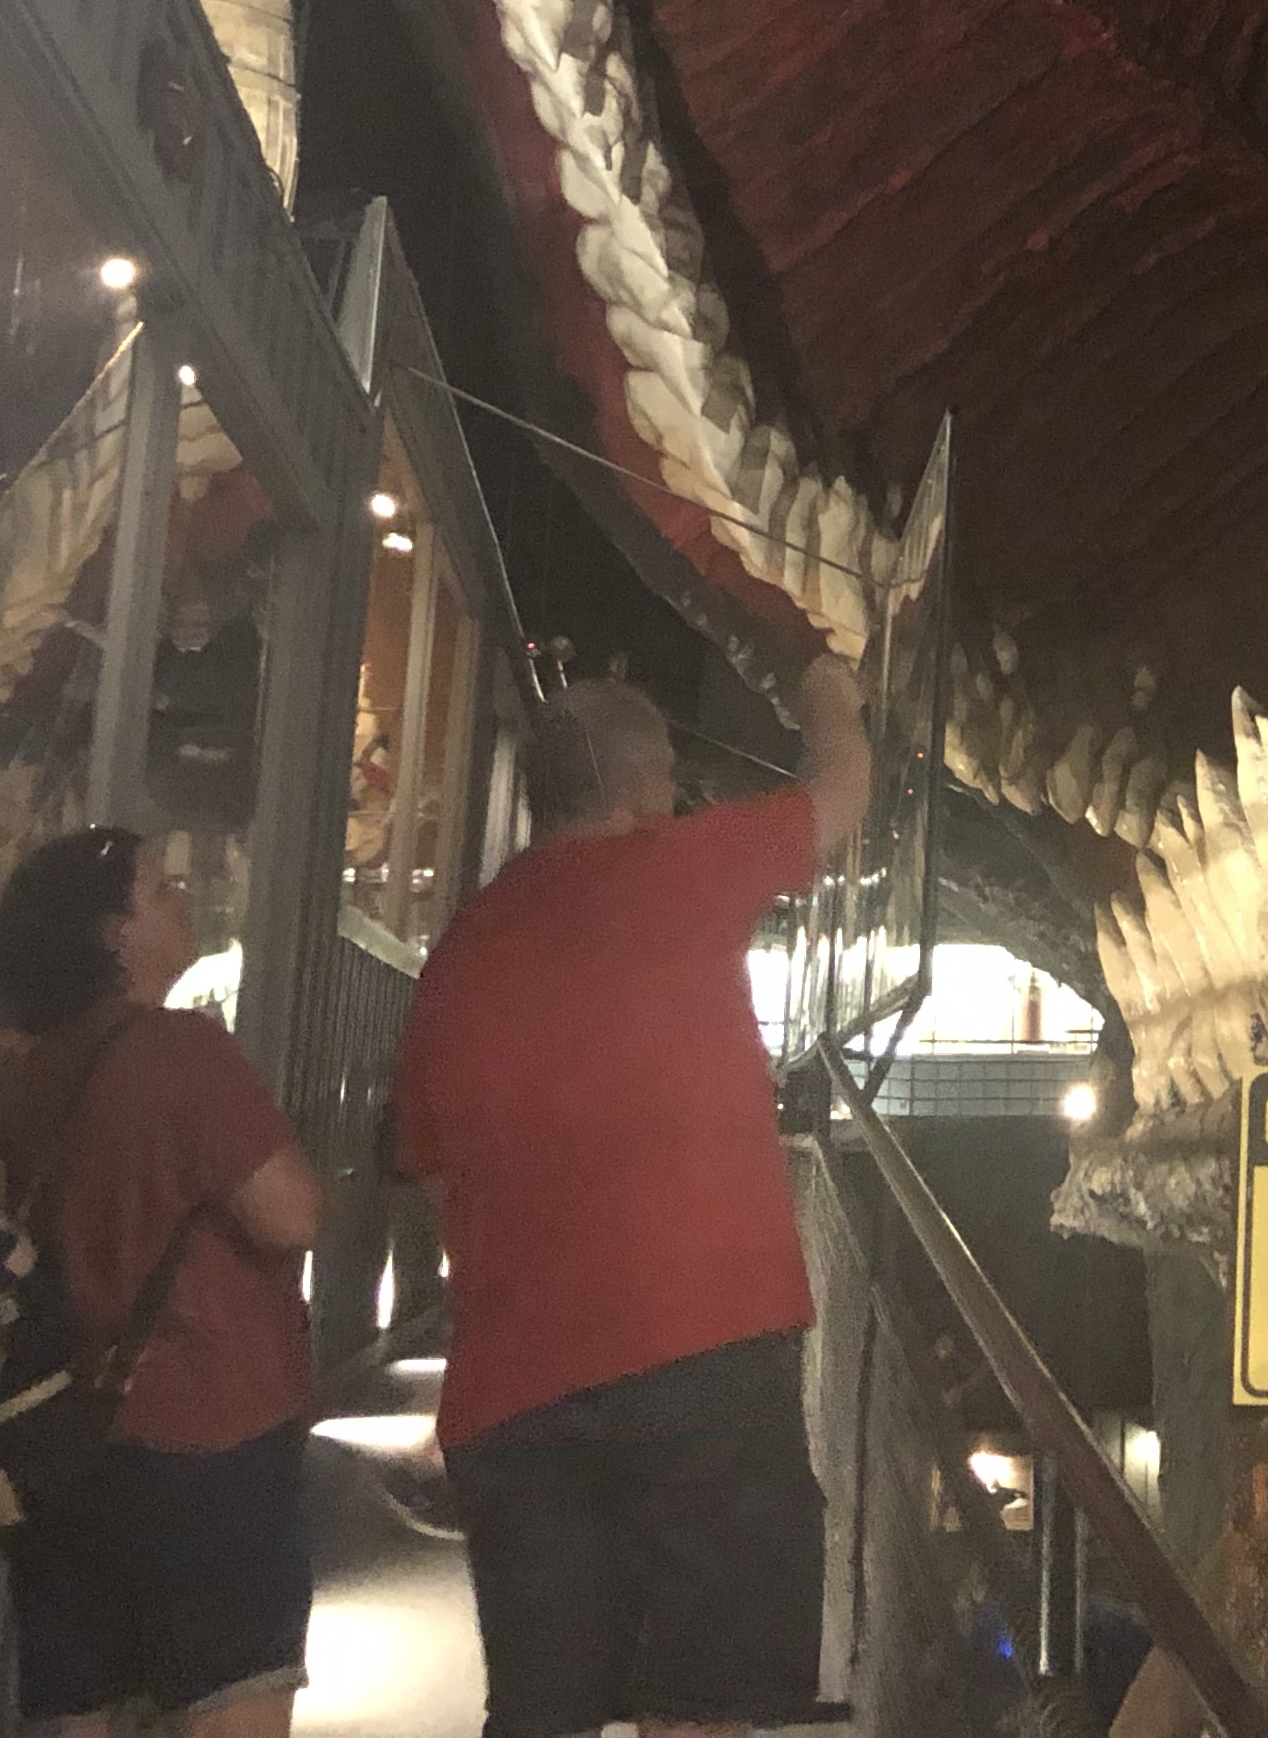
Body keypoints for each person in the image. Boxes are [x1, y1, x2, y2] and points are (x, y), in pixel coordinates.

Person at [395, 655, 873, 1738]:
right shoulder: (676, 866)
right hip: (700, 1352)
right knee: (700, 1699)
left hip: (515, 1388)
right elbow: (839, 791)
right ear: (646, 784)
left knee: (544, 1708)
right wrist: (824, 691)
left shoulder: (461, 948)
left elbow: (428, 1165)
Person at [0, 828, 327, 1738]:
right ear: (114, 936)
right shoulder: (181, 1051)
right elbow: (292, 1214)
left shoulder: (36, 1069)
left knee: (82, 1707)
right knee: (229, 1702)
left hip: (66, 1442)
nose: (183, 901)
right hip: (207, 1437)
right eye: (160, 891)